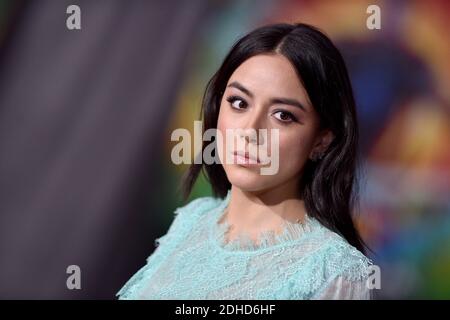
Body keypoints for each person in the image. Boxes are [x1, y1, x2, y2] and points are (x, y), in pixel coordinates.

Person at [117, 22, 373, 300]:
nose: (250, 131)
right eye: (239, 103)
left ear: (321, 140)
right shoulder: (194, 219)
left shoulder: (334, 271)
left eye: (283, 115)